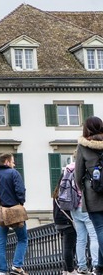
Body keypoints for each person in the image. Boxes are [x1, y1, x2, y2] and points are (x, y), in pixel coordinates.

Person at [0, 153, 28, 275]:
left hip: (0, 211)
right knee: (22, 238)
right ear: (7, 162)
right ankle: (17, 266)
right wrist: (20, 202)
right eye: (13, 162)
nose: (14, 164)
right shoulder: (14, 173)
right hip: (15, 210)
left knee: (1, 241)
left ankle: (2, 271)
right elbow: (20, 191)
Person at [76, 116, 103, 275]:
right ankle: (100, 267)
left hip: (93, 193)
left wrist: (83, 188)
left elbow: (78, 174)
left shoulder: (83, 146)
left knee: (100, 228)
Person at [67, 160, 101, 273]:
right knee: (94, 237)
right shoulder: (84, 169)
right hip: (85, 206)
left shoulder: (68, 169)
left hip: (74, 208)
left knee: (81, 239)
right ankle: (96, 264)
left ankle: (82, 266)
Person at [53, 181, 77, 275]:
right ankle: (70, 270)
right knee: (69, 247)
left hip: (59, 222)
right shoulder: (66, 191)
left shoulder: (57, 192)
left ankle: (66, 269)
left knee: (67, 247)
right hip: (67, 221)